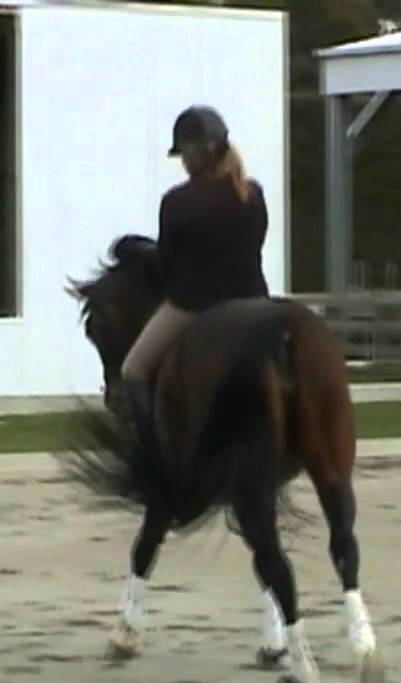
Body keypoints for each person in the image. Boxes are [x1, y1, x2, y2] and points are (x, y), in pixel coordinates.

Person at [118, 104, 271, 435]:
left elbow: (168, 266)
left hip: (193, 305)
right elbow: (256, 243)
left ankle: (153, 453)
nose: (183, 161)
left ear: (198, 153)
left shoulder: (177, 202)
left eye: (185, 153)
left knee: (133, 371)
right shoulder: (253, 194)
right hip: (255, 302)